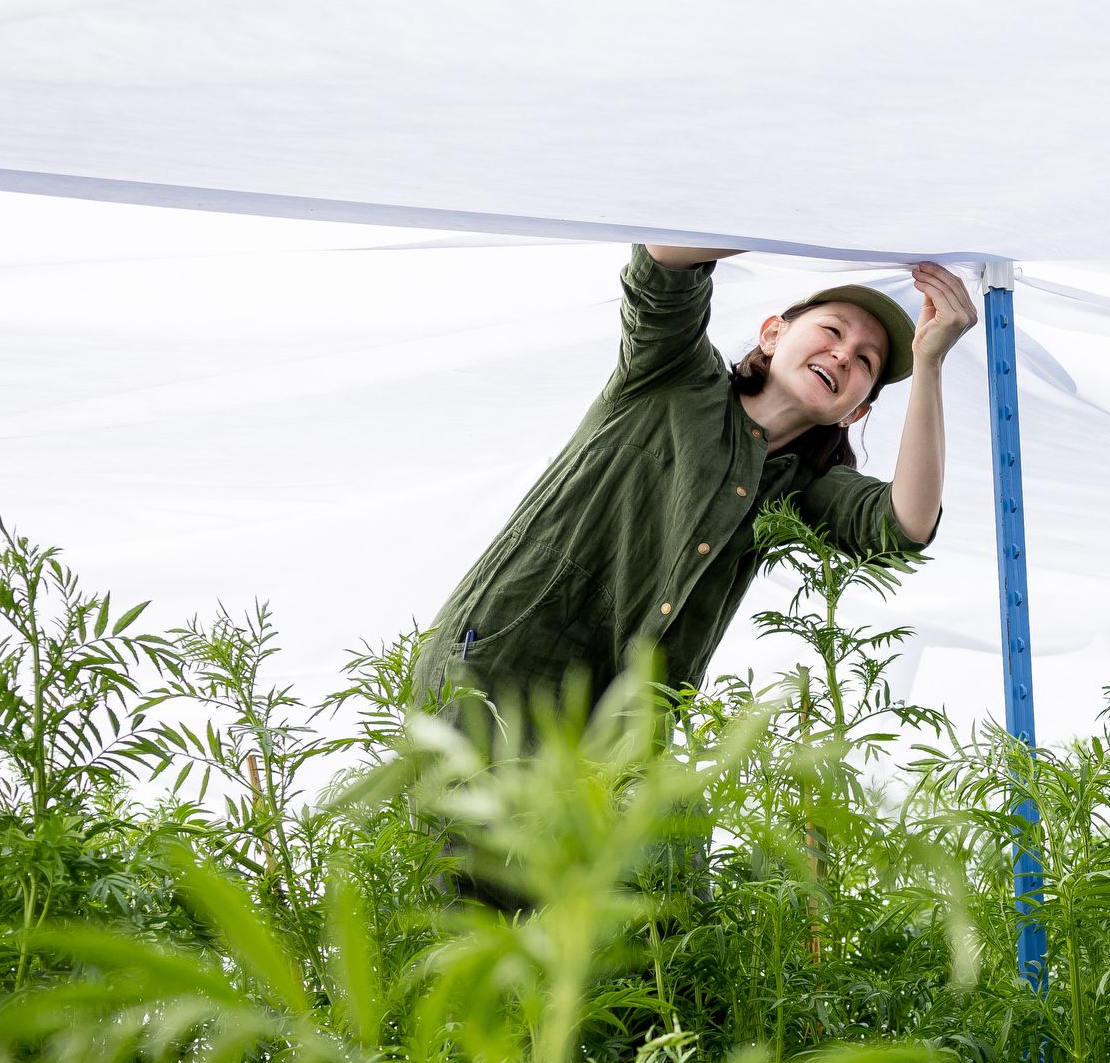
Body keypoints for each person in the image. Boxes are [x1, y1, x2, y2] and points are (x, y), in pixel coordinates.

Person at [410, 244, 978, 732]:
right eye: (832, 331)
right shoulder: (673, 373)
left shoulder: (803, 488)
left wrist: (929, 364)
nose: (842, 355)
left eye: (865, 362)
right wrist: (806, 219)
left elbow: (906, 524)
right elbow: (663, 263)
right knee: (453, 856)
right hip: (501, 667)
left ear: (855, 412)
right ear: (773, 333)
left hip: (619, 728)